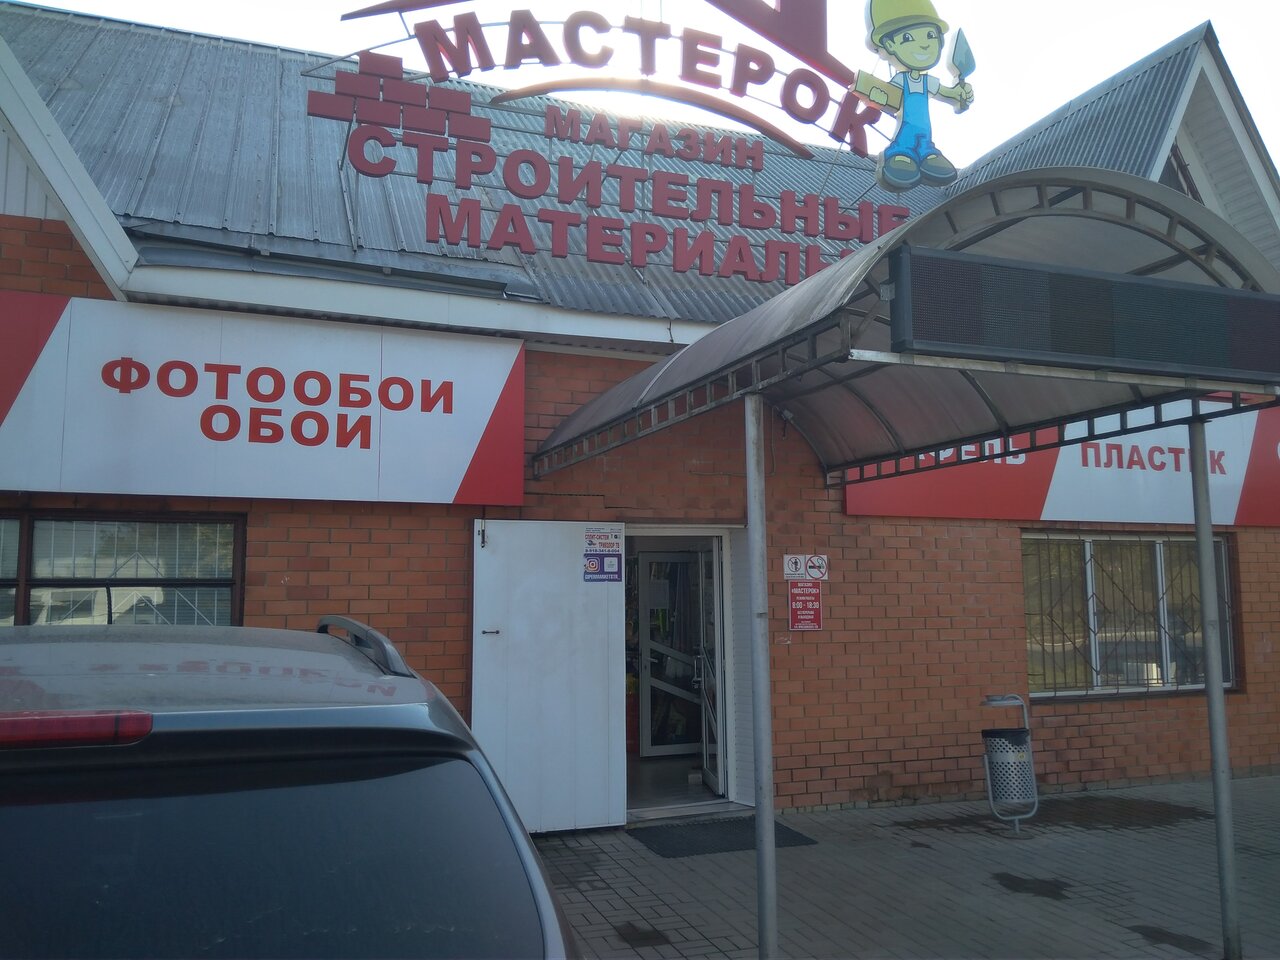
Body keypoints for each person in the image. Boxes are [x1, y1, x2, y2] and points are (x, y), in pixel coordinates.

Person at [862, 0, 974, 191]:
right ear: (888, 44)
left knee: (925, 144)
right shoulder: (901, 80)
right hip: (905, 131)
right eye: (907, 38)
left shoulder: (927, 81)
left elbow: (948, 93)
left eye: (930, 35)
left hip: (925, 136)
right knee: (904, 144)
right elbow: (888, 96)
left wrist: (961, 93)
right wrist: (878, 97)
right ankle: (900, 155)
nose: (923, 45)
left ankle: (928, 155)